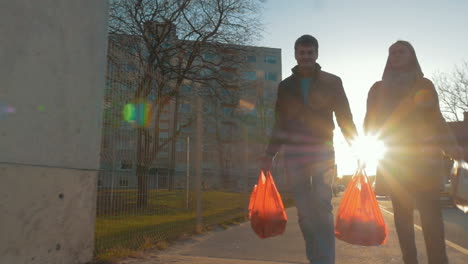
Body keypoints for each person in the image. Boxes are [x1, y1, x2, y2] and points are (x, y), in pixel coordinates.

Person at [363, 40, 463, 264]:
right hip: (395, 163)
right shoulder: (378, 89)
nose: (396, 55)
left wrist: (451, 145)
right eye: (392, 52)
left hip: (425, 162)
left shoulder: (424, 84)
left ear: (411, 55)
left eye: (401, 51)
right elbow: (369, 124)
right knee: (403, 222)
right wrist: (364, 150)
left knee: (432, 221)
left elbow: (436, 119)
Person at [260, 34, 357, 264]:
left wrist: (356, 145)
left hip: (322, 152)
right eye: (302, 53)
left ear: (317, 54)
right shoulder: (285, 86)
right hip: (294, 155)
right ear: (296, 54)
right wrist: (269, 154)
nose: (306, 57)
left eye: (310, 52)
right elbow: (280, 123)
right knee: (304, 213)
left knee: (322, 208)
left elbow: (345, 117)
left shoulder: (332, 82)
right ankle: (316, 258)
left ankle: (326, 261)